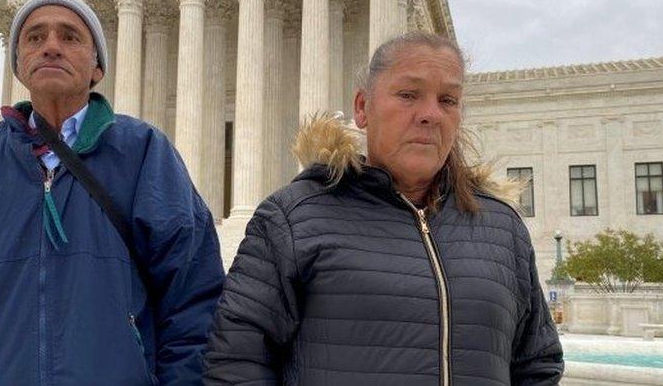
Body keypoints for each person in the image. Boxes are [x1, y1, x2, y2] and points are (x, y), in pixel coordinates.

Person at [0, 0, 225, 385]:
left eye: (70, 37)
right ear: (18, 66)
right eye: (34, 37)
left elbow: (194, 294)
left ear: (97, 67)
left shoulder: (144, 152)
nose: (51, 47)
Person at [203, 33, 563, 385]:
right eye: (408, 95)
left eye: (448, 100)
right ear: (362, 108)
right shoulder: (293, 219)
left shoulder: (502, 229)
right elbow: (235, 362)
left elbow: (537, 364)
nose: (430, 114)